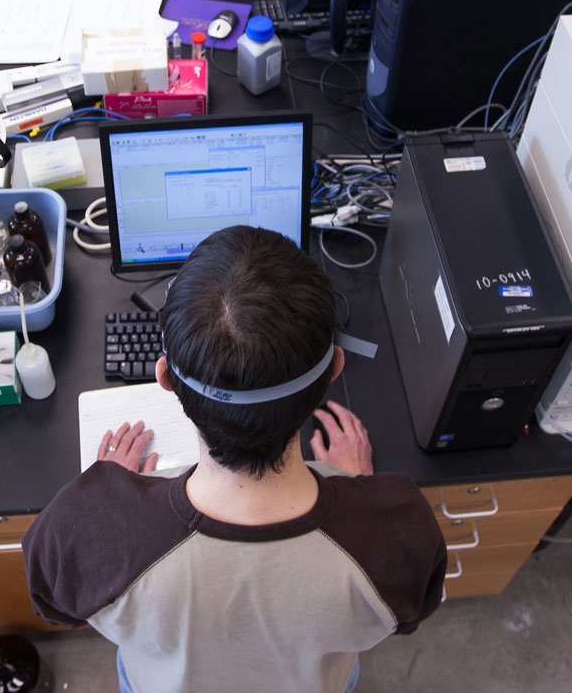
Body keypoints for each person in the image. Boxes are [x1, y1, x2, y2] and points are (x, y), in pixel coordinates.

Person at [23, 225, 446, 693]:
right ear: (334, 371)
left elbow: (54, 606)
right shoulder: (397, 527)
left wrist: (107, 497)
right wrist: (359, 489)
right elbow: (410, 614)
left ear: (165, 377)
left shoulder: (88, 529)